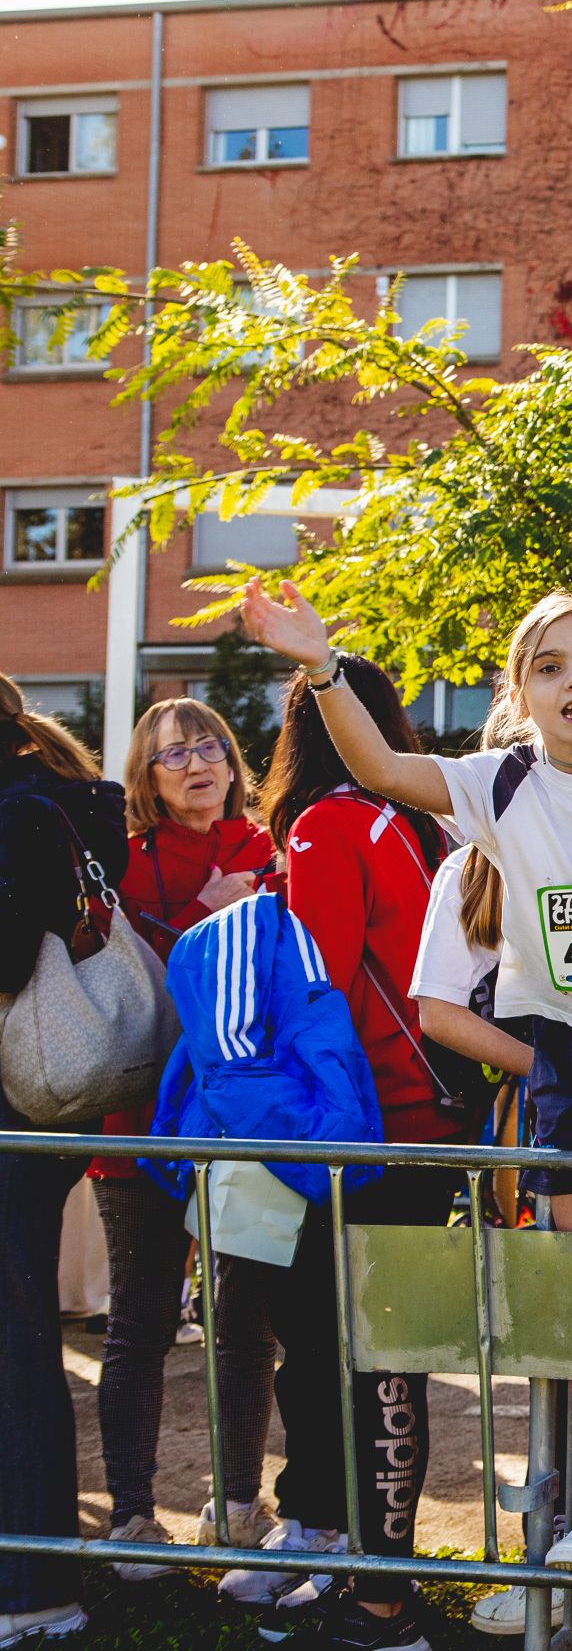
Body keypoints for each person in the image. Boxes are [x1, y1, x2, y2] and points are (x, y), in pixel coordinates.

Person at [242, 583, 572, 1598]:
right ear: (518, 691)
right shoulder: (495, 783)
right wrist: (320, 660)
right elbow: (375, 764)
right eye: (548, 665)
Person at [215, 654, 472, 1651]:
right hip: (430, 1120)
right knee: (388, 1359)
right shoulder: (418, 818)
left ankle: (356, 1568)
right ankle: (365, 1567)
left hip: (357, 1128)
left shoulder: (323, 823)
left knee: (338, 1352)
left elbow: (311, 987)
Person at [87, 698, 280, 1576]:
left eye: (209, 745)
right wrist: (205, 922)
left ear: (235, 760)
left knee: (244, 1326)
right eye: (172, 755)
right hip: (138, 1132)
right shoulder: (119, 867)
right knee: (140, 1322)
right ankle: (132, 1516)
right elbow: (116, 1003)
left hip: (248, 1131)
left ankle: (238, 1505)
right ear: (146, 778)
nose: (196, 762)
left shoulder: (276, 849)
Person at [0, 675, 131, 1650]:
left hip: (13, 1112)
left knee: (13, 1348)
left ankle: (34, 1584)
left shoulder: (22, 812)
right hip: (38, 1109)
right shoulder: (59, 792)